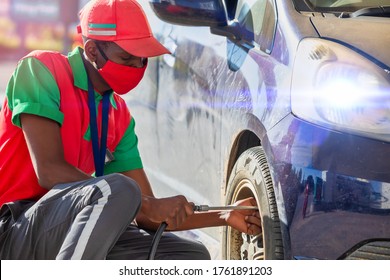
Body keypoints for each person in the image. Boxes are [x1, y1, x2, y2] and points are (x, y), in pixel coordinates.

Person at [0, 0, 261, 260]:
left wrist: (224, 215)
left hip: (68, 230)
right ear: (92, 50)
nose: (136, 67)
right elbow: (48, 170)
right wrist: (142, 201)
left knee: (189, 254)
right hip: (14, 229)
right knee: (117, 189)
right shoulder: (41, 70)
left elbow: (149, 213)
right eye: (126, 57)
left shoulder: (118, 114)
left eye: (142, 58)